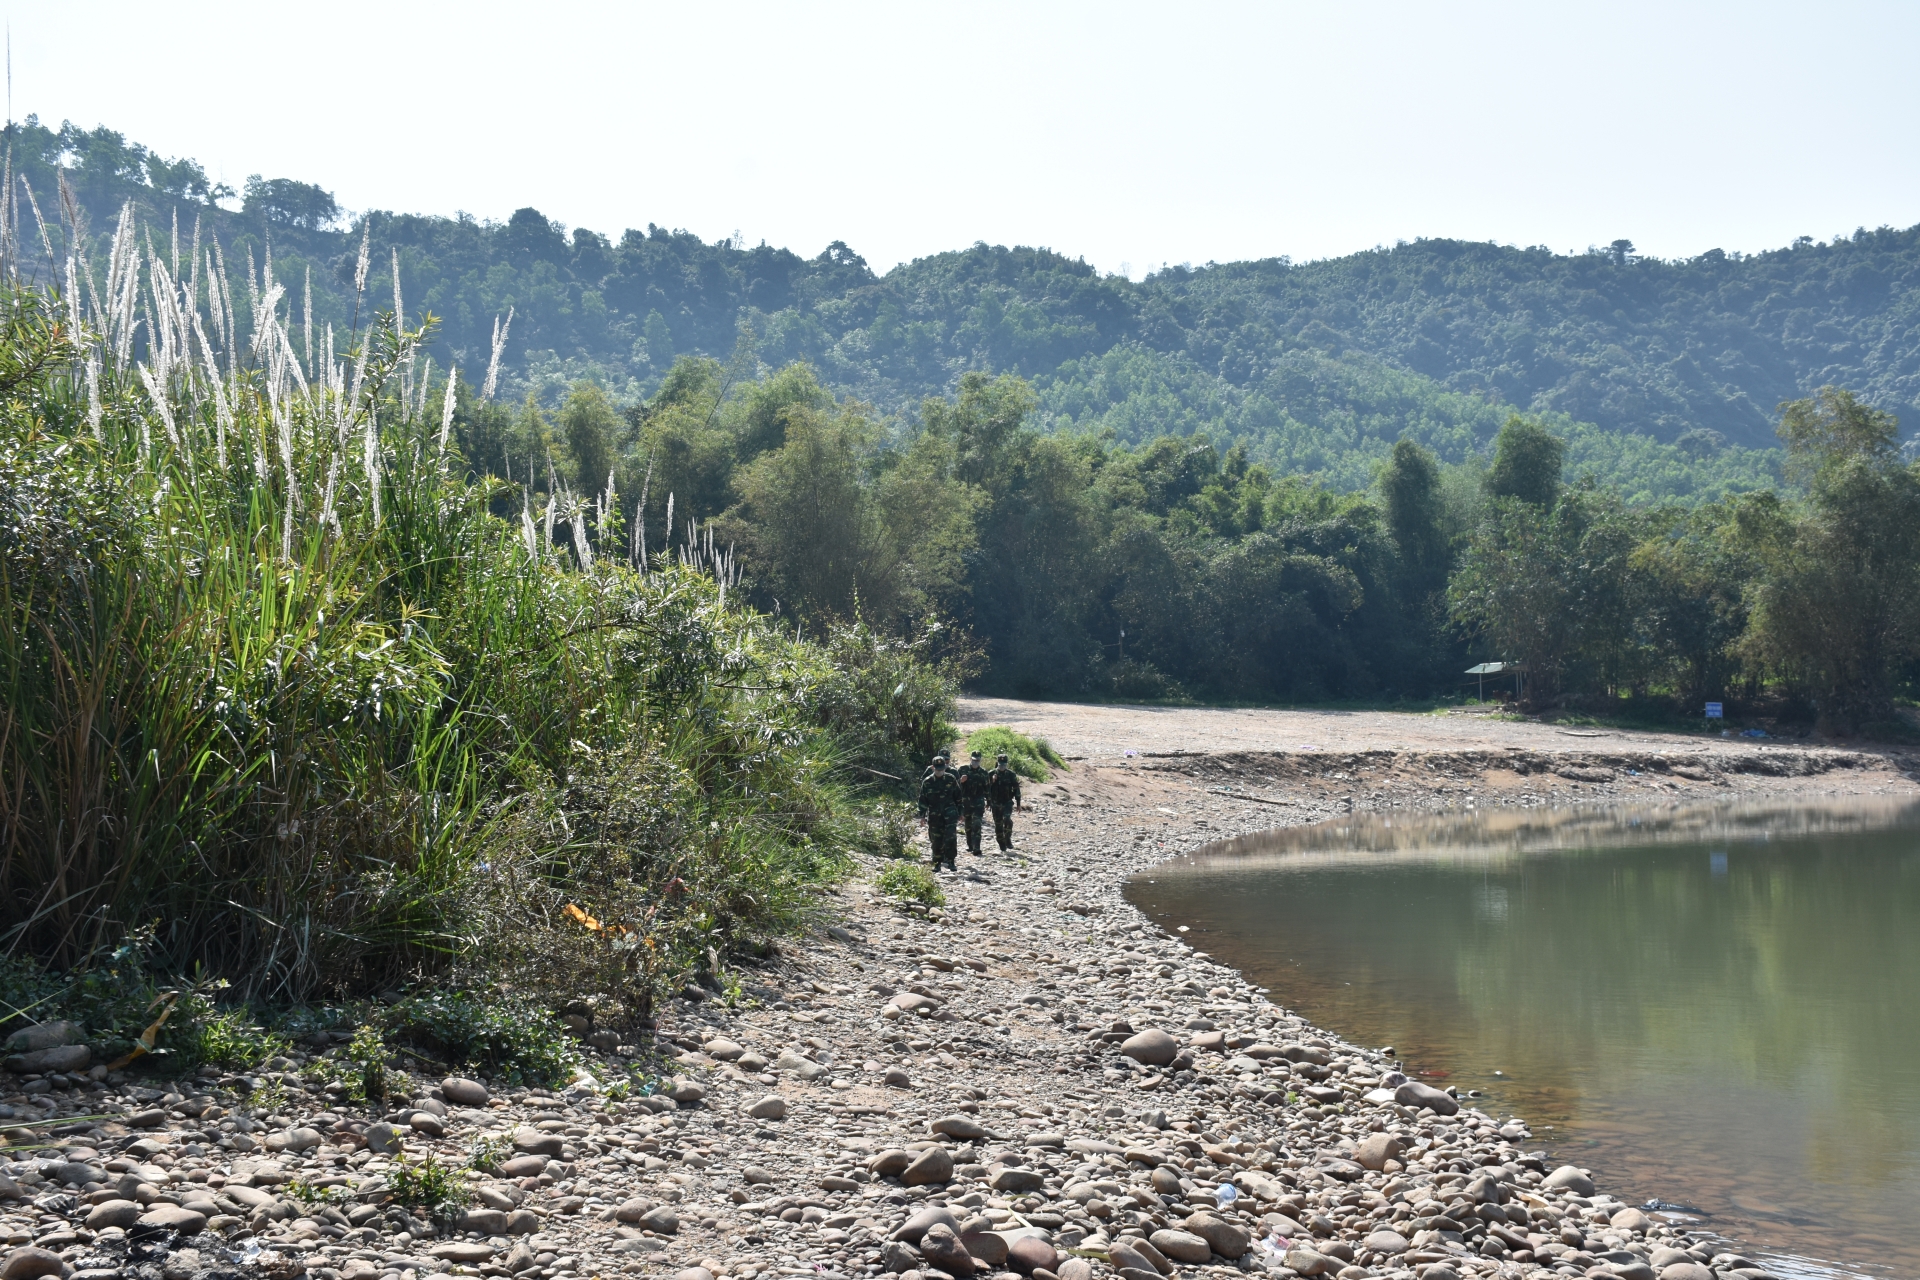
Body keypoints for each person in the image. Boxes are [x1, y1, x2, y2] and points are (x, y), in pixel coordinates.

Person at [917, 754, 963, 871]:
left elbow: (958, 797)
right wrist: (922, 816)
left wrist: (961, 813)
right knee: (936, 839)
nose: (940, 771)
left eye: (942, 769)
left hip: (950, 813)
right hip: (934, 814)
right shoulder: (927, 782)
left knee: (950, 837)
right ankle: (937, 863)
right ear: (933, 768)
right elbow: (923, 800)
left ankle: (951, 861)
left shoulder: (951, 778)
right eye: (938, 769)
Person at [954, 749, 993, 856]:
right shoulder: (962, 770)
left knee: (977, 824)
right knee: (968, 825)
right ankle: (970, 845)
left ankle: (977, 847)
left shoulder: (984, 773)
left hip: (978, 802)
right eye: (974, 760)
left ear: (980, 760)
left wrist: (989, 801)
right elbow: (954, 785)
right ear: (970, 759)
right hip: (965, 802)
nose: (975, 762)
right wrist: (961, 781)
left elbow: (987, 788)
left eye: (977, 760)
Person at [987, 752, 1023, 851]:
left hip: (1007, 802)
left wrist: (1018, 803)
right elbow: (986, 789)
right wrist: (992, 781)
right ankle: (1001, 843)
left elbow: (1016, 788)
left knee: (1007, 819)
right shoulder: (991, 773)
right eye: (1000, 764)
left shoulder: (1011, 774)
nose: (1002, 766)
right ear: (997, 763)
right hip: (995, 803)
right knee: (998, 824)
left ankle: (1007, 839)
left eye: (1004, 765)